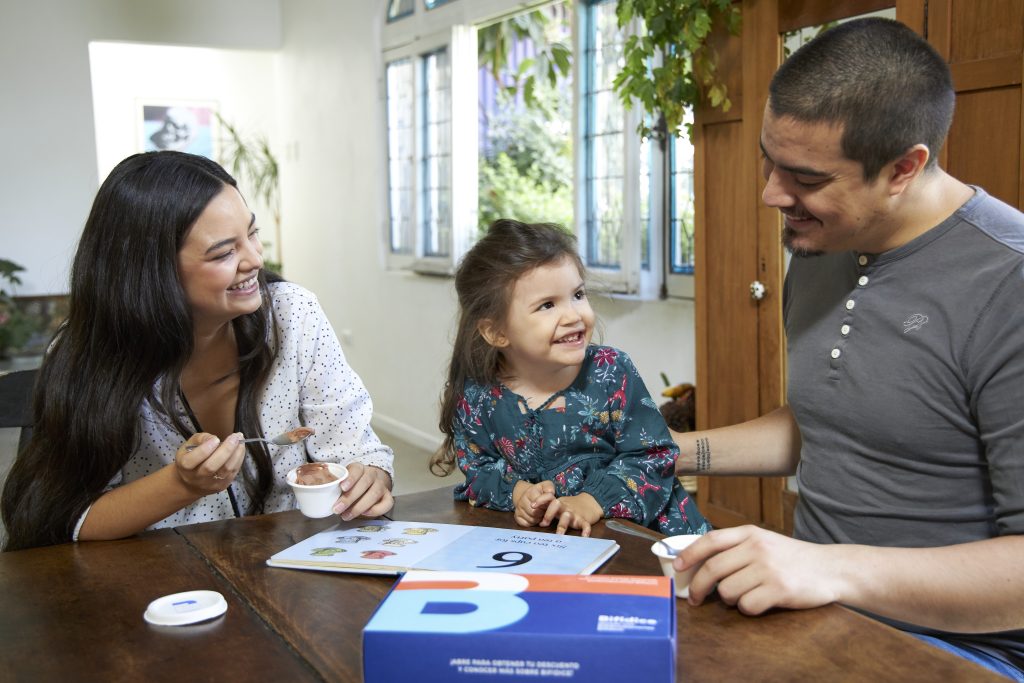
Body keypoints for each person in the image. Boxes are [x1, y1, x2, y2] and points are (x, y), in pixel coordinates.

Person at [671, 17, 1024, 680]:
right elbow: (832, 421)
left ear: (903, 168)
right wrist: (671, 452)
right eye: (768, 161)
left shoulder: (1010, 283)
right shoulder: (824, 242)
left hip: (963, 652)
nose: (773, 195)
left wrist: (827, 567)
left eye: (803, 177)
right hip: (817, 615)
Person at [1, 151, 394, 551]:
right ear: (151, 271)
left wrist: (372, 474)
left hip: (291, 565)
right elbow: (63, 518)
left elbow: (355, 449)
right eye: (224, 252)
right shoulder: (90, 355)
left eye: (252, 234)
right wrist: (181, 484)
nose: (255, 260)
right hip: (159, 582)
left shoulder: (292, 315)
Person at [430, 218, 709, 538]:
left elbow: (652, 455)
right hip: (559, 546)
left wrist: (593, 501)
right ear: (496, 331)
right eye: (547, 305)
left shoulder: (610, 372)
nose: (574, 315)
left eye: (577, 295)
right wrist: (519, 492)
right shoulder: (478, 395)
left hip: (646, 538)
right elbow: (478, 469)